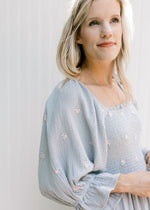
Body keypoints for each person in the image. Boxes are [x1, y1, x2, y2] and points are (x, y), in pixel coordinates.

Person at [38, 0, 150, 209]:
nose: (107, 31)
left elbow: (116, 150)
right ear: (78, 35)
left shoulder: (121, 85)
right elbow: (59, 183)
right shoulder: (69, 95)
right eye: (94, 23)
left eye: (114, 20)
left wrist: (145, 156)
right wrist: (126, 183)